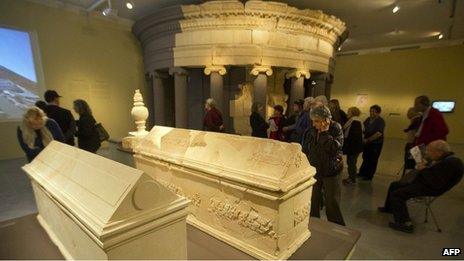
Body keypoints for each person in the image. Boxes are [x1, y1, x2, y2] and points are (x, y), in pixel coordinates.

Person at [378, 140, 463, 233]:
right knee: (394, 185)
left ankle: (405, 224)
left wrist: (423, 169)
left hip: (430, 188)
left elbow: (436, 183)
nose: (427, 153)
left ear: (439, 152)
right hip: (425, 183)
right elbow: (435, 174)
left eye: (430, 151)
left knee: (397, 195)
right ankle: (389, 208)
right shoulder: (447, 159)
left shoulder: (450, 163)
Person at [302, 105, 345, 226]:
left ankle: (336, 228)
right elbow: (306, 148)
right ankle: (314, 225)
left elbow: (334, 149)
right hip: (315, 170)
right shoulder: (312, 129)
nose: (314, 124)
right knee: (313, 199)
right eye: (313, 121)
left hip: (331, 170)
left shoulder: (335, 128)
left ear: (326, 120)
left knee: (332, 202)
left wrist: (325, 133)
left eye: (316, 121)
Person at [358, 105, 385, 180]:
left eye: (374, 111)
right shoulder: (368, 119)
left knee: (372, 160)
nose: (372, 113)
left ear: (378, 113)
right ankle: (362, 172)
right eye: (371, 111)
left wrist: (368, 139)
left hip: (375, 144)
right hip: (367, 143)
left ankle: (369, 175)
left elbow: (379, 133)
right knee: (365, 157)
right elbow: (363, 128)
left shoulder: (380, 121)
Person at [342, 107, 364, 185]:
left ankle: (352, 179)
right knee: (350, 162)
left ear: (353, 113)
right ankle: (351, 177)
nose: (347, 113)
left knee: (351, 163)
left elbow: (354, 136)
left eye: (349, 112)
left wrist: (347, 146)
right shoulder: (353, 120)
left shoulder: (355, 121)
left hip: (354, 147)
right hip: (353, 147)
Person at [403, 107, 422, 175]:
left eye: (409, 112)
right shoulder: (417, 121)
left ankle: (407, 179)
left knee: (410, 164)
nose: (407, 114)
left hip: (413, 145)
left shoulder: (416, 121)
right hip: (414, 145)